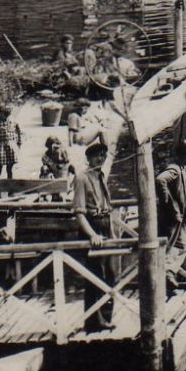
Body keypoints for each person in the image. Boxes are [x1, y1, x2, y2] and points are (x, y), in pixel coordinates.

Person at [72, 140, 119, 332]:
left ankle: (106, 317)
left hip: (107, 226)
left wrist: (113, 230)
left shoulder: (101, 176)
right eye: (97, 156)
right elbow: (79, 212)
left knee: (112, 273)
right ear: (89, 159)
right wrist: (92, 235)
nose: (101, 159)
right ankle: (93, 321)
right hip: (93, 227)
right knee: (95, 275)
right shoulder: (82, 178)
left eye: (103, 156)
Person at [0, 113, 22, 182]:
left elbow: (18, 131)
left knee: (9, 169)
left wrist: (19, 142)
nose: (1, 116)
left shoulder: (12, 123)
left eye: (4, 115)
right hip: (1, 148)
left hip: (10, 147)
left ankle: (10, 187)